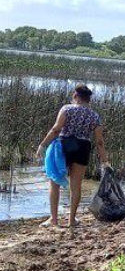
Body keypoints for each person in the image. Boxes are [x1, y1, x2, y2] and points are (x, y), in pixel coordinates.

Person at [35, 84, 109, 228]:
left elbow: (56, 129)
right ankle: (71, 220)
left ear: (75, 96)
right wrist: (105, 162)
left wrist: (43, 145)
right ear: (89, 99)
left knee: (54, 182)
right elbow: (99, 142)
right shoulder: (95, 116)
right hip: (82, 148)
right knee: (76, 186)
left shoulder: (66, 109)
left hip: (64, 147)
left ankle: (54, 220)